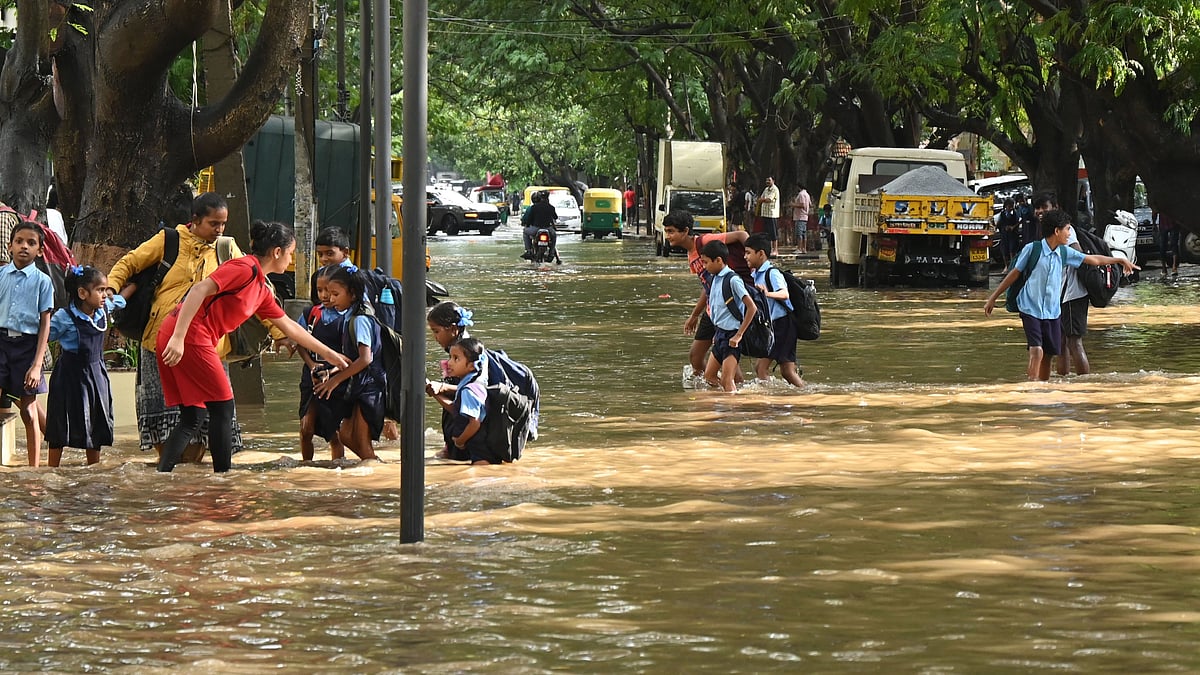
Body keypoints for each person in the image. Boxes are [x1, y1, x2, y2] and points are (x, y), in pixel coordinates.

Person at [156, 221, 350, 473]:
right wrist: (179, 338)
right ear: (276, 252)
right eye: (290, 252)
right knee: (223, 408)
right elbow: (199, 289)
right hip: (188, 335)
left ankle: (163, 474)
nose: (291, 260)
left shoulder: (260, 288)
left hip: (183, 335)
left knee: (194, 415)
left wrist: (330, 354)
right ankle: (222, 478)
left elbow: (290, 327)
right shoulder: (244, 268)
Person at [108, 192, 282, 464]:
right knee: (163, 413)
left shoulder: (227, 249)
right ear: (195, 220)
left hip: (208, 345)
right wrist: (110, 288)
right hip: (162, 341)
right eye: (213, 224)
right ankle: (175, 479)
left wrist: (279, 333)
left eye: (223, 224)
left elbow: (258, 292)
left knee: (210, 417)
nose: (219, 230)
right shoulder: (169, 240)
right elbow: (130, 263)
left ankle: (197, 481)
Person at [984, 210, 1137, 381]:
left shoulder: (1064, 252)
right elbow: (1014, 274)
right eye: (1068, 229)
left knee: (1049, 353)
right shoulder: (1032, 249)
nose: (1070, 234)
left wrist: (1119, 260)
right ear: (1057, 231)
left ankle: (1044, 387)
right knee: (1037, 350)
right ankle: (1031, 388)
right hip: (1030, 308)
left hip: (1052, 312)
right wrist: (993, 298)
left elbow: (1092, 260)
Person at [46, 266, 125, 467]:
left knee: (96, 421)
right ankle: (52, 469)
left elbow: (120, 301)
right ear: (82, 293)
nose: (104, 295)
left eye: (105, 290)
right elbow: (44, 336)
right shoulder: (64, 318)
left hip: (96, 375)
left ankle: (93, 469)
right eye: (100, 290)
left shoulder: (103, 310)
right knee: (59, 422)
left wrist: (130, 286)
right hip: (69, 378)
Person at [661, 210, 751, 381]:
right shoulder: (691, 256)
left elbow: (741, 234)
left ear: (685, 231)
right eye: (666, 231)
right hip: (712, 310)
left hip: (727, 309)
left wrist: (753, 263)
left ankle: (734, 392)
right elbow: (707, 286)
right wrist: (694, 315)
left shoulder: (705, 242)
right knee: (696, 357)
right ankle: (716, 389)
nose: (668, 236)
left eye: (671, 231)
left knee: (727, 359)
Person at [310, 264, 385, 462]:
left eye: (335, 294)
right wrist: (332, 372)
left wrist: (335, 381)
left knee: (361, 442)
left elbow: (365, 358)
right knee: (345, 435)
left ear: (352, 294)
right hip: (358, 386)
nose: (331, 299)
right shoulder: (350, 317)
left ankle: (378, 478)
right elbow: (351, 359)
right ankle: (375, 469)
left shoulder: (359, 319)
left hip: (369, 388)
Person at [0, 221, 54, 466]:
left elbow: (45, 323)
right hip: (1, 341)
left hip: (28, 346)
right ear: (9, 246)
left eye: (31, 243)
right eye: (19, 241)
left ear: (40, 251)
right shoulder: (1, 276)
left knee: (28, 408)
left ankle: (33, 469)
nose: (24, 247)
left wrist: (36, 364)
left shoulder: (43, 282)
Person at [1030, 193, 1088, 377]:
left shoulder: (1064, 231)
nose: (1040, 211)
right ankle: (1064, 379)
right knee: (1060, 341)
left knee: (1074, 342)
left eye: (1044, 208)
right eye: (1037, 208)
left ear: (1055, 207)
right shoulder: (1047, 232)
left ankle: (1087, 383)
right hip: (1059, 295)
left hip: (1072, 293)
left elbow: (1079, 254)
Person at [297, 265, 347, 462]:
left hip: (336, 379)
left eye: (330, 291)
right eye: (320, 291)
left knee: (334, 431)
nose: (325, 296)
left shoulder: (346, 316)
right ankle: (306, 465)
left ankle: (338, 467)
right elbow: (299, 340)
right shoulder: (312, 314)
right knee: (305, 427)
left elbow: (350, 354)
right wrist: (311, 365)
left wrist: (333, 371)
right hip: (311, 376)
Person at [427, 336, 501, 464]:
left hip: (481, 452)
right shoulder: (473, 383)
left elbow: (474, 423)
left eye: (456, 359)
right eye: (450, 357)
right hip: (481, 449)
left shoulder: (469, 390)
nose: (449, 362)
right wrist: (436, 394)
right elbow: (456, 409)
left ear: (471, 366)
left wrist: (460, 441)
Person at [745, 234, 804, 387]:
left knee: (761, 368)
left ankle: (766, 403)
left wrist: (766, 294)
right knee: (787, 371)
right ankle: (804, 394)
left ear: (761, 254)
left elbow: (784, 294)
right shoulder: (756, 274)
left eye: (748, 252)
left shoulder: (772, 273)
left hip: (783, 325)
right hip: (775, 325)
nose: (745, 257)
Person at [699, 240, 757, 392]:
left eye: (706, 262)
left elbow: (752, 307)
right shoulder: (713, 278)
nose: (704, 267)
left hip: (732, 336)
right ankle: (733, 397)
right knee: (709, 376)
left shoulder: (733, 280)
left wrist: (738, 335)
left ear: (718, 260)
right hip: (719, 335)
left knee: (727, 379)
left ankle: (732, 411)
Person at [308, 226, 354, 305]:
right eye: (320, 254)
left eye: (329, 254)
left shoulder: (352, 276)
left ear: (345, 252)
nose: (323, 259)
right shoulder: (318, 275)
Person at [521, 190, 559, 262]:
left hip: (536, 229)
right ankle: (551, 253)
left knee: (525, 232)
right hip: (548, 228)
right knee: (554, 236)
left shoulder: (534, 207)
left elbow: (529, 219)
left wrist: (527, 225)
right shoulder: (551, 207)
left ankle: (528, 251)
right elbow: (555, 217)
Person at [755, 177, 781, 256]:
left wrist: (762, 200)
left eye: (769, 180)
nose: (767, 182)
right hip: (765, 214)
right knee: (767, 233)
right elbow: (761, 198)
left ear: (773, 181)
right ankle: (769, 249)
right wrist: (762, 199)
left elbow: (769, 199)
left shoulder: (775, 189)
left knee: (773, 232)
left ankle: (775, 250)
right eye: (766, 180)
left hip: (772, 214)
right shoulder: (766, 189)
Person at [1155, 209, 1180, 278]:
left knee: (1173, 244)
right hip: (1164, 223)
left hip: (1173, 222)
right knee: (1162, 246)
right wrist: (1154, 223)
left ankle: (1174, 267)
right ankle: (1164, 268)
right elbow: (1155, 210)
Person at [997, 198, 1020, 268]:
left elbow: (1018, 222)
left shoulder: (1015, 213)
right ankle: (1006, 266)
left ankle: (1012, 266)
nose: (1010, 208)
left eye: (1012, 206)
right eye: (1009, 206)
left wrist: (1012, 227)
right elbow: (999, 223)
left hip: (1012, 235)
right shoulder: (1002, 214)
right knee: (1004, 251)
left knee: (1012, 250)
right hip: (1004, 235)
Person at [789, 184, 811, 254]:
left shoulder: (801, 194)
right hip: (805, 216)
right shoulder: (807, 194)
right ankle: (804, 248)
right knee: (804, 233)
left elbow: (802, 205)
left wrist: (793, 204)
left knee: (799, 233)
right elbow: (810, 204)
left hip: (800, 216)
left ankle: (799, 248)